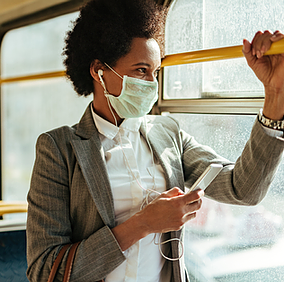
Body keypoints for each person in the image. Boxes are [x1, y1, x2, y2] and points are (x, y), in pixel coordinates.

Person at [26, 0, 284, 281]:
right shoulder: (59, 149)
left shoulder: (167, 134)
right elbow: (44, 270)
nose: (151, 84)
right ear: (98, 70)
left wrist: (275, 94)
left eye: (156, 72)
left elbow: (243, 189)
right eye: (140, 70)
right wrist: (144, 223)